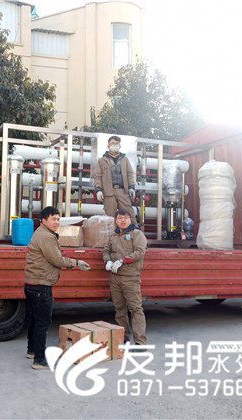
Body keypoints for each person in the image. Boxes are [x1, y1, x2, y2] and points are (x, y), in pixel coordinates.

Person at [24, 206, 91, 369]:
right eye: (53, 219)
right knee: (42, 323)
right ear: (44, 221)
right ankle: (39, 360)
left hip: (32, 284)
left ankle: (32, 351)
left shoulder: (42, 233)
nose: (56, 222)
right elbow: (57, 260)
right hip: (41, 285)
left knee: (34, 320)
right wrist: (76, 262)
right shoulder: (46, 236)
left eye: (58, 219)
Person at [103, 208, 147, 351]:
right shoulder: (113, 236)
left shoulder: (137, 234)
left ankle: (140, 342)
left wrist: (123, 260)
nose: (123, 220)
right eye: (120, 218)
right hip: (115, 278)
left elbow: (140, 251)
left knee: (135, 309)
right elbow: (106, 250)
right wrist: (107, 261)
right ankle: (124, 338)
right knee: (119, 309)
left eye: (125, 218)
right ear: (116, 220)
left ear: (130, 219)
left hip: (130, 277)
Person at [93, 135, 137, 224]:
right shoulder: (102, 160)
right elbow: (97, 176)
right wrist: (98, 190)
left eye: (117, 143)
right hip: (109, 192)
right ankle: (113, 233)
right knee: (110, 218)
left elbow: (130, 174)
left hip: (123, 192)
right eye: (113, 143)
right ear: (108, 146)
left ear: (120, 146)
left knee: (129, 215)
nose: (115, 145)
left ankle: (133, 232)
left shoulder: (125, 159)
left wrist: (131, 187)